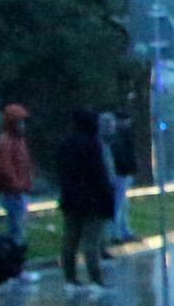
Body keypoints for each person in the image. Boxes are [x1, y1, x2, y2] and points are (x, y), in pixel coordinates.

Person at [56, 108, 117, 291]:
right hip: (93, 200)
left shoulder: (66, 144)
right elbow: (99, 175)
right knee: (91, 242)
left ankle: (70, 278)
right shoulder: (93, 145)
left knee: (70, 240)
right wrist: (108, 200)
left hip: (71, 199)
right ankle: (95, 280)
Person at [0, 103, 35, 271]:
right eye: (19, 122)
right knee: (17, 232)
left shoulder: (17, 141)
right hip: (14, 193)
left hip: (19, 191)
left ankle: (17, 266)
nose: (22, 126)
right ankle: (17, 268)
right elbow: (6, 169)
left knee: (18, 229)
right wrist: (17, 186)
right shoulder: (6, 142)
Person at [102, 110, 137, 243]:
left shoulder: (121, 136)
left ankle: (123, 232)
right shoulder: (116, 137)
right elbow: (120, 156)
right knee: (118, 205)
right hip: (120, 173)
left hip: (123, 173)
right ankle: (116, 234)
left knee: (122, 205)